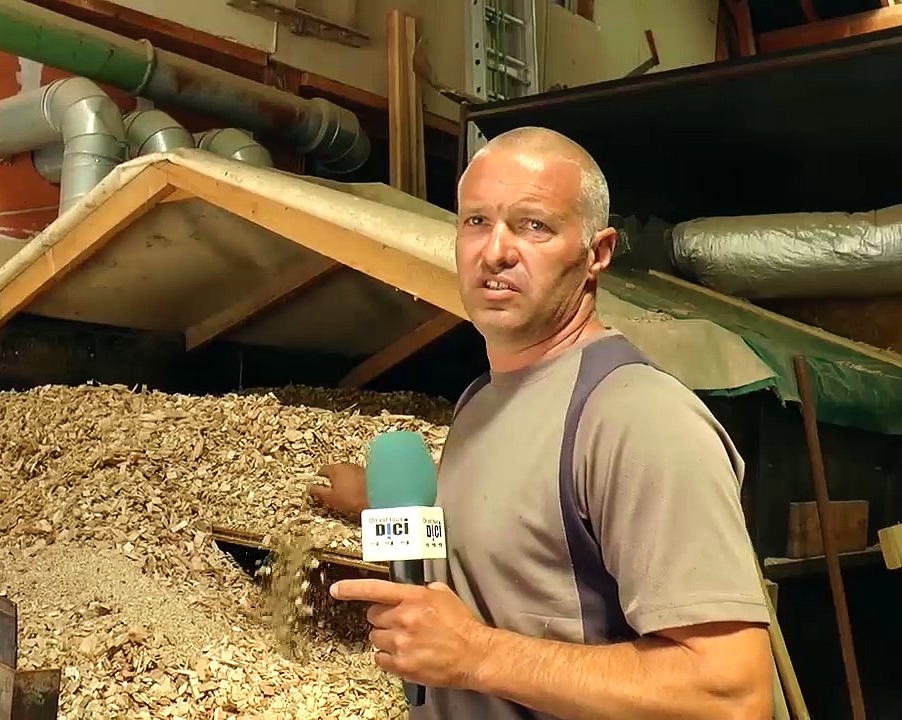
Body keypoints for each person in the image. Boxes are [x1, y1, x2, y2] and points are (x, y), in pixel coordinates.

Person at [310, 127, 773, 720]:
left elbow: (732, 695)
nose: (495, 250)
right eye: (476, 221)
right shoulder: (481, 402)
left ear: (597, 253)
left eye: (534, 226)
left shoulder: (638, 418)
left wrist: (476, 655)